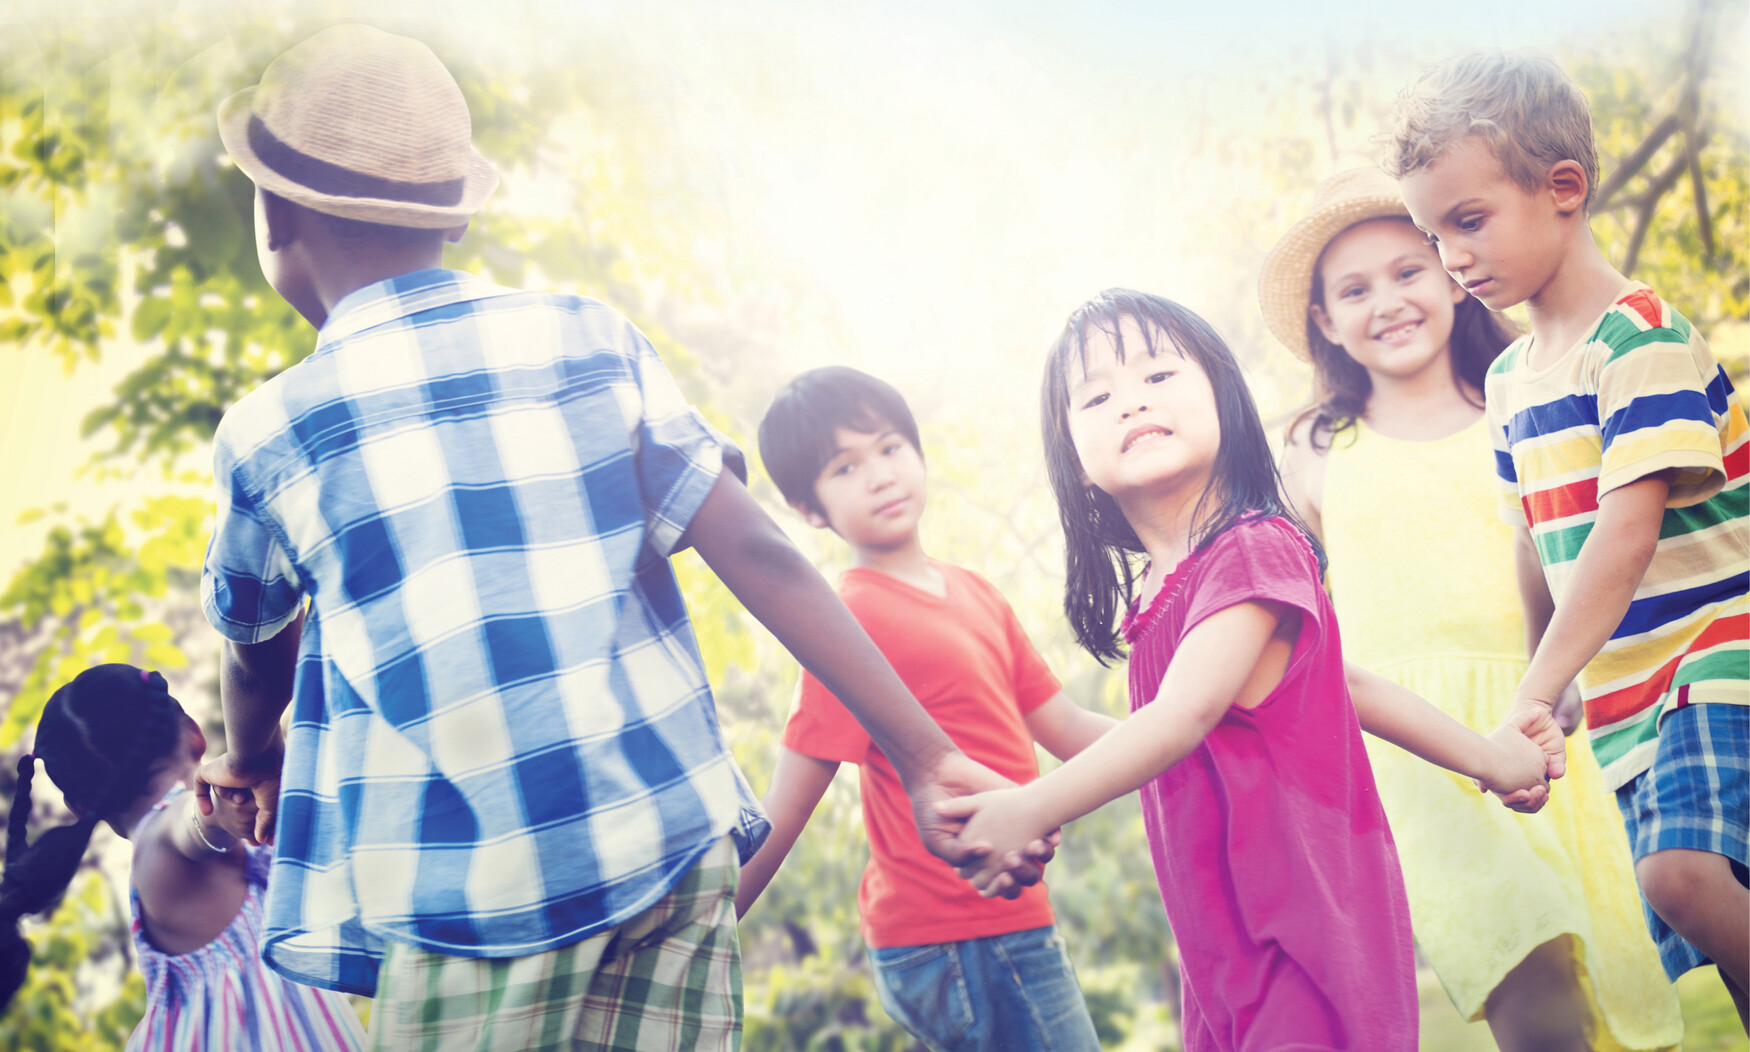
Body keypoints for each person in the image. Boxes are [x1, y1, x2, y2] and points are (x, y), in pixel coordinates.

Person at [190, 26, 1036, 1051]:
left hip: (477, 896)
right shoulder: (585, 337)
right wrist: (925, 752)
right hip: (665, 846)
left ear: (273, 215)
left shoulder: (273, 431)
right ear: (452, 218)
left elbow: (253, 636)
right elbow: (759, 550)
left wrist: (251, 753)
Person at [937, 288, 1563, 1051]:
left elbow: (1181, 720)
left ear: (1225, 401)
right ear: (1076, 462)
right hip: (1222, 943)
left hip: (1299, 926)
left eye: (1158, 376)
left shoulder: (1254, 549)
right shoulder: (1161, 593)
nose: (1131, 403)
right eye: (1096, 396)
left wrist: (1035, 808)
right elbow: (1250, 718)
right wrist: (1492, 757)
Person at [1264, 166, 1684, 1051]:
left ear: (1451, 271)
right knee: (1520, 949)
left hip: (1543, 713)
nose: (1388, 301)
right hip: (1412, 751)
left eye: (1408, 270)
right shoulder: (1314, 448)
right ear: (1323, 320)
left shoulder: (1520, 400)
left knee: (1608, 973)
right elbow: (1294, 619)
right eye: (1354, 288)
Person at [1390, 48, 1749, 1029]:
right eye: (1433, 233)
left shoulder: (1639, 341)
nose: (1451, 256)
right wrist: (1557, 690)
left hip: (1718, 653)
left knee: (1679, 874)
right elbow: (1537, 542)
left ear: (1562, 190)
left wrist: (1530, 690)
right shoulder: (1510, 381)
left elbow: (1625, 532)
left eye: (1467, 220)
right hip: (1634, 692)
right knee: (1719, 932)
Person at [737, 366, 1110, 1052]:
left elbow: (1073, 730)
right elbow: (787, 806)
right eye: (844, 467)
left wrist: (1202, 728)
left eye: (888, 448)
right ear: (808, 508)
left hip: (1009, 921)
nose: (879, 474)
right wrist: (707, 927)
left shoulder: (976, 593)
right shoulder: (844, 620)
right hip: (954, 938)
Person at [0, 664, 366, 1050]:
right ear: (193, 734)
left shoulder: (181, 835)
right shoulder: (159, 847)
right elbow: (187, 826)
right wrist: (212, 814)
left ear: (78, 804)